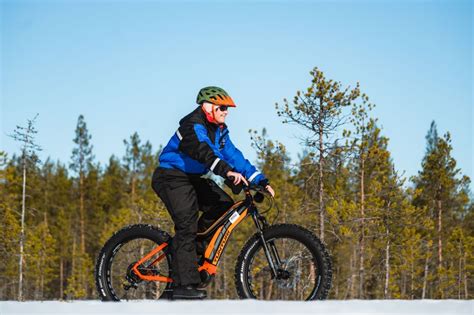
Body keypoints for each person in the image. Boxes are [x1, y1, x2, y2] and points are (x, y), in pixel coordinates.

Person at [151, 86, 275, 299]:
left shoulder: (219, 130)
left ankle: (192, 255)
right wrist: (226, 171)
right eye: (223, 107)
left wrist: (259, 180)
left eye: (228, 109)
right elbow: (204, 151)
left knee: (223, 205)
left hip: (193, 178)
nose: (226, 112)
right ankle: (184, 286)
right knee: (187, 224)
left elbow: (234, 155)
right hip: (171, 176)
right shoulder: (193, 125)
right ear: (208, 107)